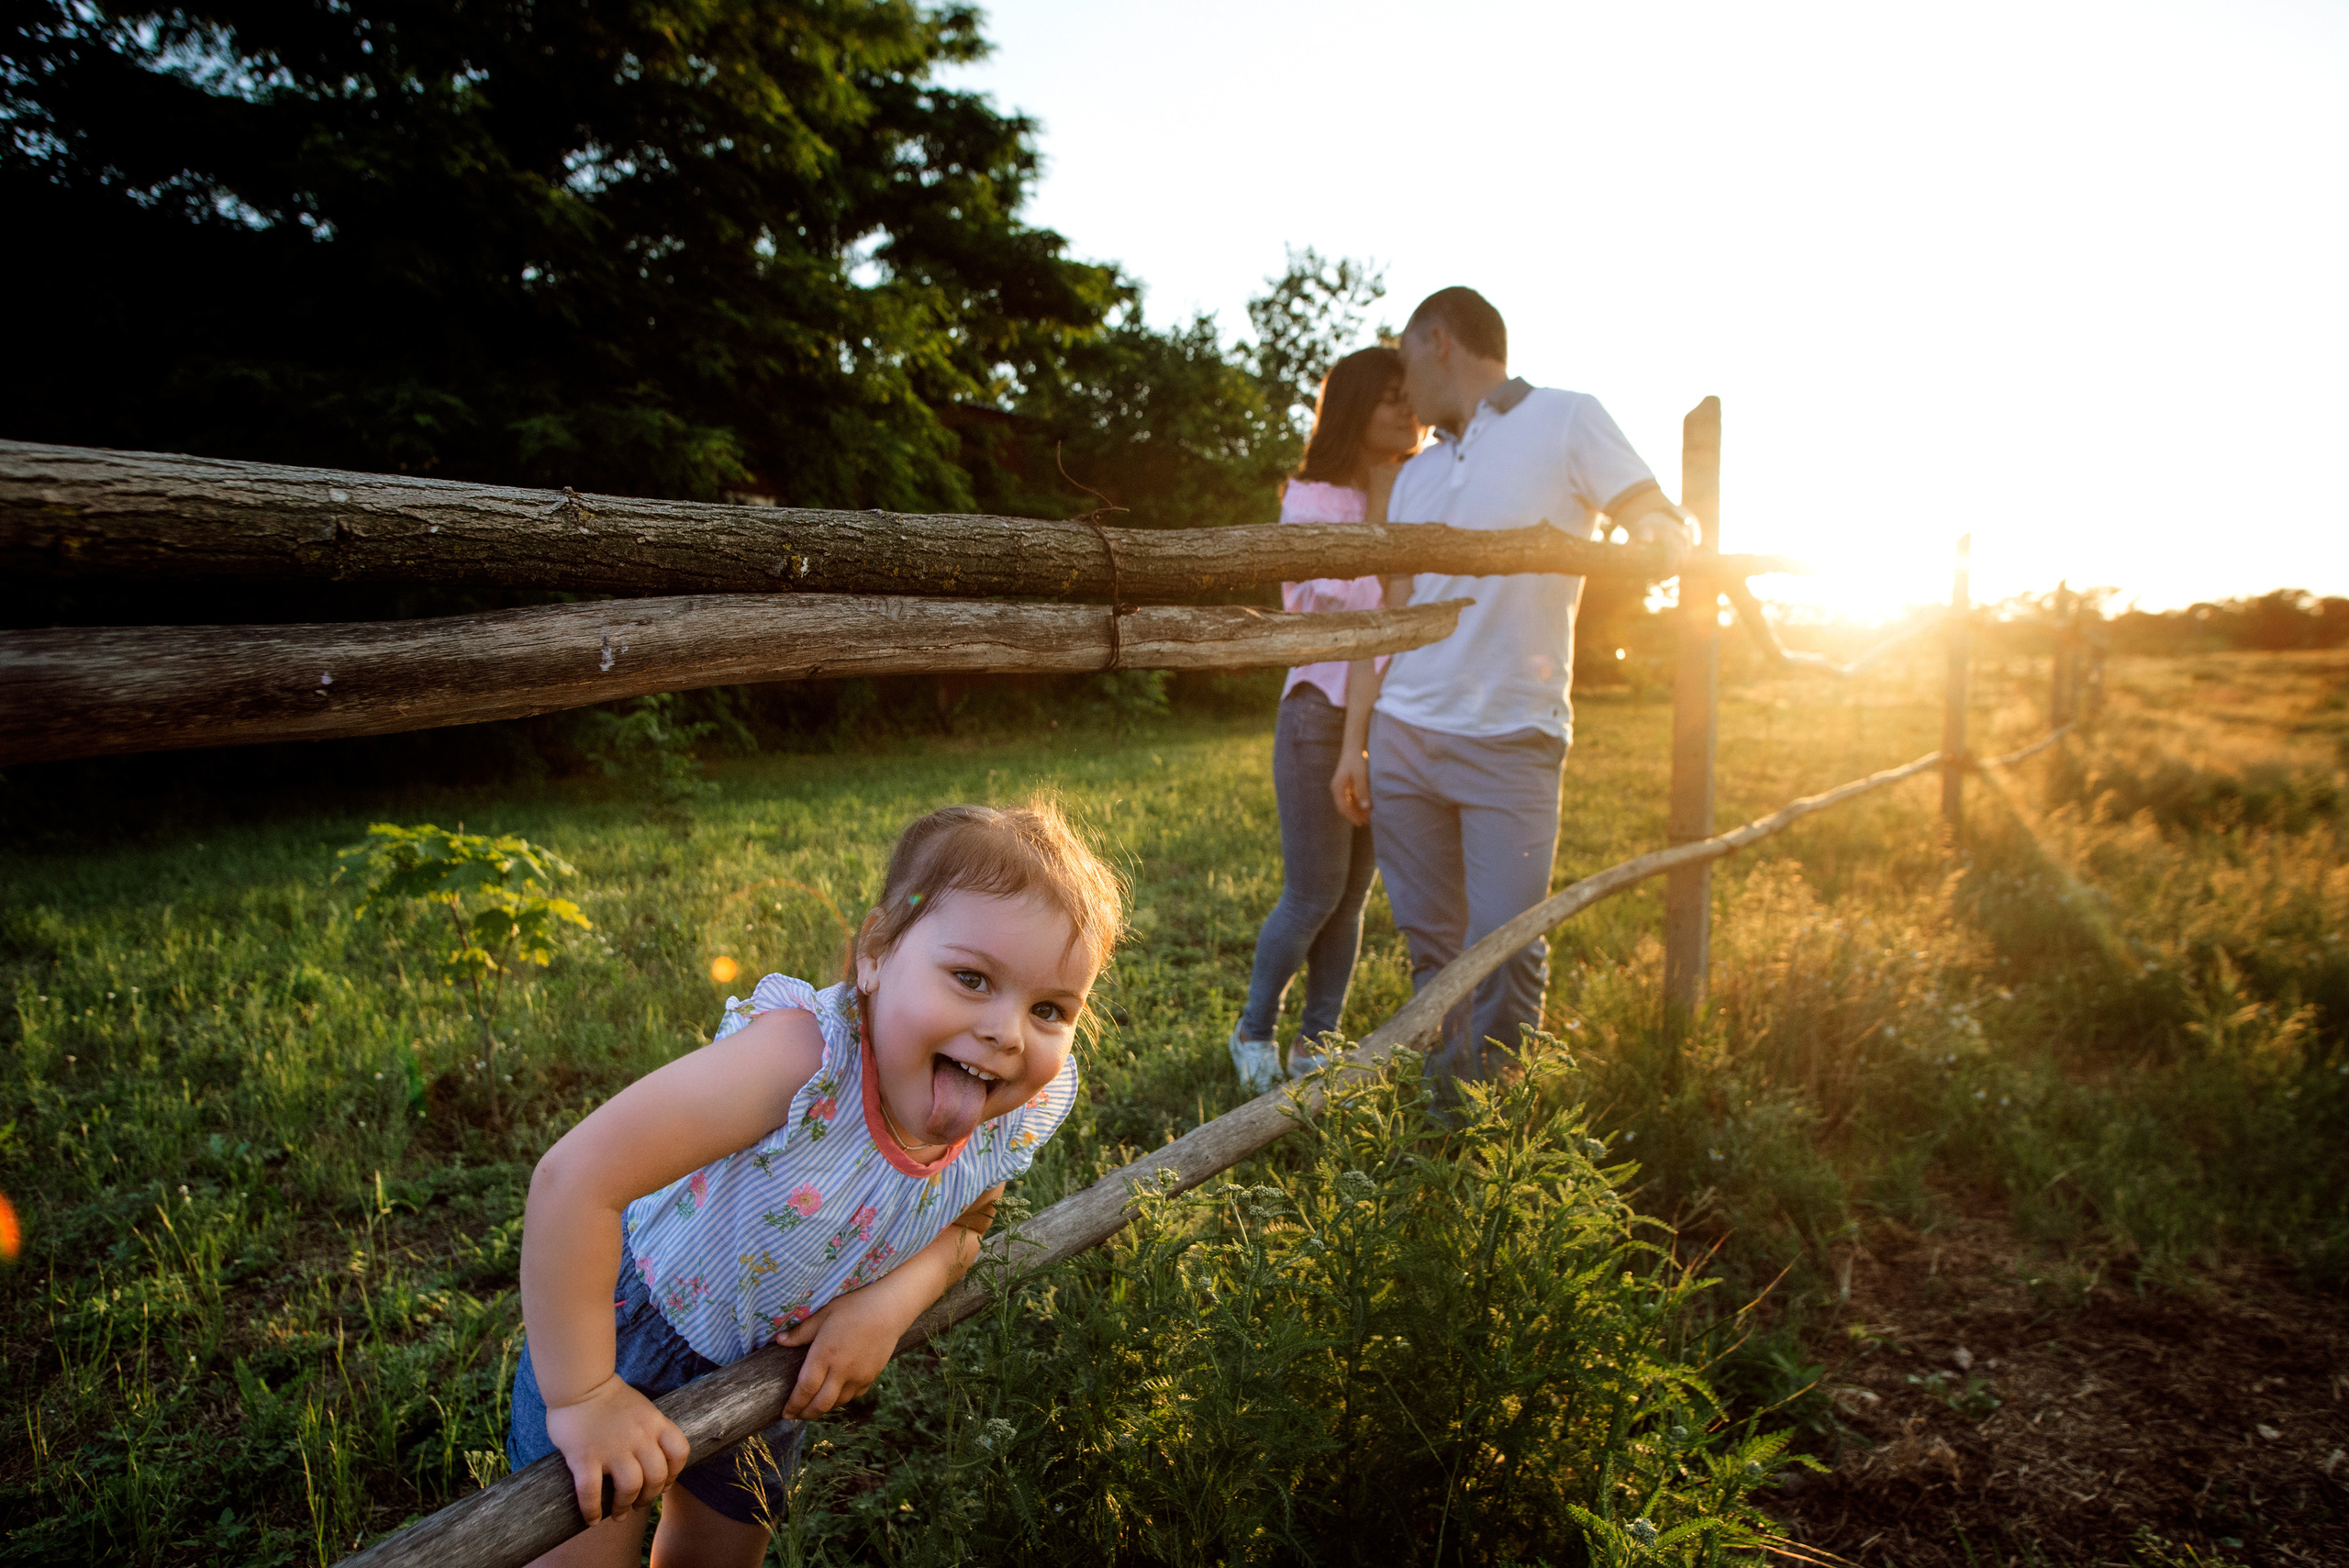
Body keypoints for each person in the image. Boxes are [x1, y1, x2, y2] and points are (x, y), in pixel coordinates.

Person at [508, 802, 1122, 1567]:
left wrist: (889, 1303)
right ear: (875, 953)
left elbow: (970, 1222)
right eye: (970, 978)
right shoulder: (800, 1061)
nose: (1008, 1031)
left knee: (718, 1556)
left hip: (769, 1370)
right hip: (624, 1330)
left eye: (1049, 1009)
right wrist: (585, 1396)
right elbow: (576, 1179)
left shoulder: (1014, 1113)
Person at [1329, 287, 1692, 1094]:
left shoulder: (1566, 418)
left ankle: (1492, 1122)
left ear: (1438, 342)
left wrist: (1665, 537)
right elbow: (1387, 614)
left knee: (1510, 943)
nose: (1403, 386)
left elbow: (1655, 514)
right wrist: (1358, 740)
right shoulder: (1415, 475)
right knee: (1433, 946)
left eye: (1404, 357)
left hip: (1514, 738)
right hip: (1404, 737)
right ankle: (1444, 1114)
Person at [1228, 346, 1425, 1094]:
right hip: (1321, 710)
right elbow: (1361, 595)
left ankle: (1320, 1040)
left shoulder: (1419, 488)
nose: (1409, 412)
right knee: (1312, 892)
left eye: (1412, 397)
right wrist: (1379, 497)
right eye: (1391, 399)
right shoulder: (1310, 499)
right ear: (1354, 408)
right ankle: (1254, 1028)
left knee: (1350, 899)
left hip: (1392, 715)